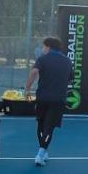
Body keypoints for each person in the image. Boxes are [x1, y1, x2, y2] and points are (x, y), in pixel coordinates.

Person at [25, 36, 74, 167]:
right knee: (49, 126)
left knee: (41, 124)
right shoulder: (67, 61)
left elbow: (34, 72)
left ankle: (41, 153)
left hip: (42, 97)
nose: (42, 49)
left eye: (43, 46)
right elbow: (70, 79)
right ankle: (43, 151)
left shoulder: (42, 59)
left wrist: (27, 89)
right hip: (58, 99)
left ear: (48, 47)